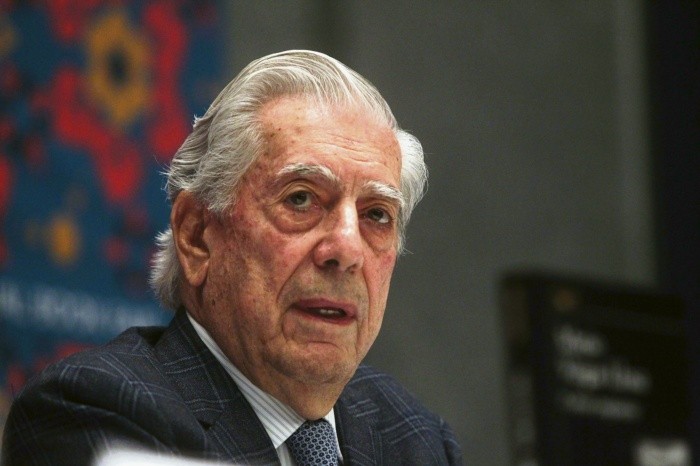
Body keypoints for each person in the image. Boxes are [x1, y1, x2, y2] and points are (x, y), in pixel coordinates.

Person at [2, 50, 462, 465]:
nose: (346, 249)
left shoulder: (416, 440)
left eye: (376, 214)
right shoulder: (99, 409)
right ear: (197, 236)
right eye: (301, 199)